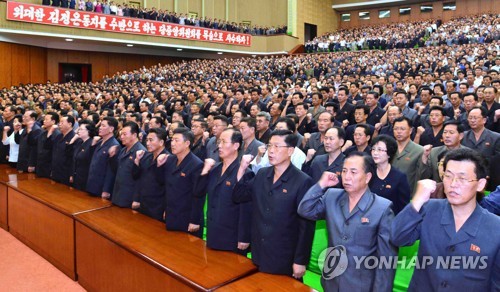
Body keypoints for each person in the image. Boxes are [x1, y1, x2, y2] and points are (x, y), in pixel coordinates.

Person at [391, 148, 500, 291]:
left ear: (480, 184)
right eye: (448, 176)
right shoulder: (429, 209)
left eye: (462, 178)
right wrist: (417, 201)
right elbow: (398, 237)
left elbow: (496, 283)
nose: (453, 184)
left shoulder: (495, 227)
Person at [298, 152, 397, 291]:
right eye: (344, 171)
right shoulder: (332, 196)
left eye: (353, 172)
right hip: (331, 281)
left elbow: (386, 260)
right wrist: (321, 184)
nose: (347, 177)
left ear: (368, 177)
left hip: (361, 286)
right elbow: (305, 210)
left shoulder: (382, 208)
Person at [234, 130, 315, 279]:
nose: (271, 150)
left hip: (285, 255)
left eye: (277, 146)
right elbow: (239, 196)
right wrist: (242, 168)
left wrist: (300, 260)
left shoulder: (303, 181)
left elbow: (306, 226)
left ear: (290, 150)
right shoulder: (262, 174)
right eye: (270, 145)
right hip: (259, 251)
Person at [196, 129, 252, 254]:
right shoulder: (214, 168)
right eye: (219, 141)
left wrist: (243, 237)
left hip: (232, 236)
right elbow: (198, 192)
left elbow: (246, 208)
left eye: (224, 142)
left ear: (236, 145)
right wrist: (205, 171)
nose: (219, 145)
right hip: (213, 232)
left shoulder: (245, 172)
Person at [156, 127, 205, 238]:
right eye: (172, 140)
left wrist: (194, 220)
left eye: (176, 140)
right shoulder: (170, 160)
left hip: (187, 218)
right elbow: (163, 184)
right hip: (172, 213)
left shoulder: (197, 164)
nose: (172, 143)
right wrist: (159, 166)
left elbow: (198, 195)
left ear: (187, 143)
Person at [132, 127, 169, 221]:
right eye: (147, 140)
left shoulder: (169, 159)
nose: (147, 143)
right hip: (143, 203)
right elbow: (137, 177)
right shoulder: (146, 156)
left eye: (151, 140)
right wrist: (137, 161)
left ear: (161, 142)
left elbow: (167, 185)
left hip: (158, 207)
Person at [369, 135, 411, 214]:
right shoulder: (368, 173)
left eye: (380, 150)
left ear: (389, 153)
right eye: (373, 149)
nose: (375, 153)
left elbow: (404, 207)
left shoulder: (399, 177)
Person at [109, 121, 146, 208]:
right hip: (118, 194)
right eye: (121, 134)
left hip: (129, 198)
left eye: (125, 134)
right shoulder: (123, 150)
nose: (121, 137)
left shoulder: (141, 152)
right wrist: (112, 157)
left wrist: (136, 199)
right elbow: (117, 170)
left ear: (134, 135)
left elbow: (141, 179)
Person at [86, 116, 120, 198]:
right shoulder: (99, 141)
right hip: (91, 184)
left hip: (101, 187)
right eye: (100, 125)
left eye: (103, 126)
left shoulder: (114, 146)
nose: (100, 128)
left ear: (111, 129)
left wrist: (106, 189)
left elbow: (111, 170)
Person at [392, 117, 424, 194]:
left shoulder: (419, 150)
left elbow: (421, 175)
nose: (398, 132)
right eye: (396, 129)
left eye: (402, 129)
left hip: (408, 194)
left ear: (410, 130)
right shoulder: (389, 147)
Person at [70, 120, 97, 191]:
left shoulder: (92, 144)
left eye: (81, 129)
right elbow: (72, 158)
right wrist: (73, 140)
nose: (78, 131)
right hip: (76, 177)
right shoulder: (79, 142)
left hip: (85, 179)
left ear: (88, 131)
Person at [51, 115, 76, 185]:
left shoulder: (74, 138)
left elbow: (73, 158)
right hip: (56, 171)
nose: (59, 124)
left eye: (62, 122)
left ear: (70, 124)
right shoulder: (59, 136)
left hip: (66, 173)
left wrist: (71, 174)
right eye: (59, 122)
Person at [36, 112, 60, 178]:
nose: (44, 121)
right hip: (40, 164)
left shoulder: (57, 134)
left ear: (53, 121)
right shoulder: (43, 132)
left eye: (46, 119)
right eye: (44, 119)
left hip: (49, 166)